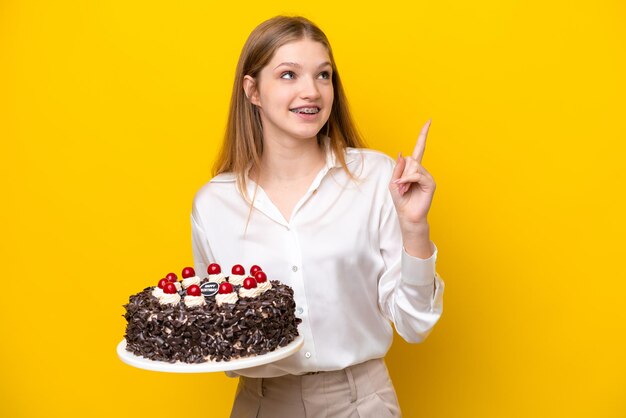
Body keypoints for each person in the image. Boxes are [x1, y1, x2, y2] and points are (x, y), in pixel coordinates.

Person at [191, 15, 445, 418]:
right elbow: (220, 332)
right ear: (252, 90)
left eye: (323, 75)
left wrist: (415, 228)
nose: (311, 91)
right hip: (260, 404)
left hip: (361, 403)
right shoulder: (213, 204)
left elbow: (416, 325)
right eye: (288, 74)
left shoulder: (376, 178)